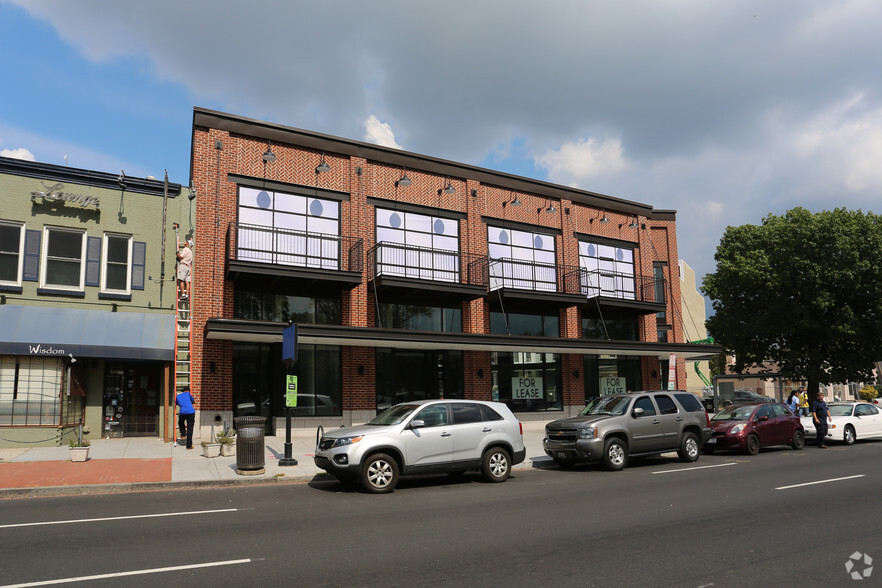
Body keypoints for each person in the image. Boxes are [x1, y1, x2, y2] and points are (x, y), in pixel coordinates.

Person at [175, 385, 196, 449]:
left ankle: (183, 434)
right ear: (188, 391)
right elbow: (193, 401)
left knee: (180, 422)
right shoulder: (188, 394)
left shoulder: (177, 396)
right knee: (190, 429)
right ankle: (189, 446)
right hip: (191, 413)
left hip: (183, 413)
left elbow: (177, 403)